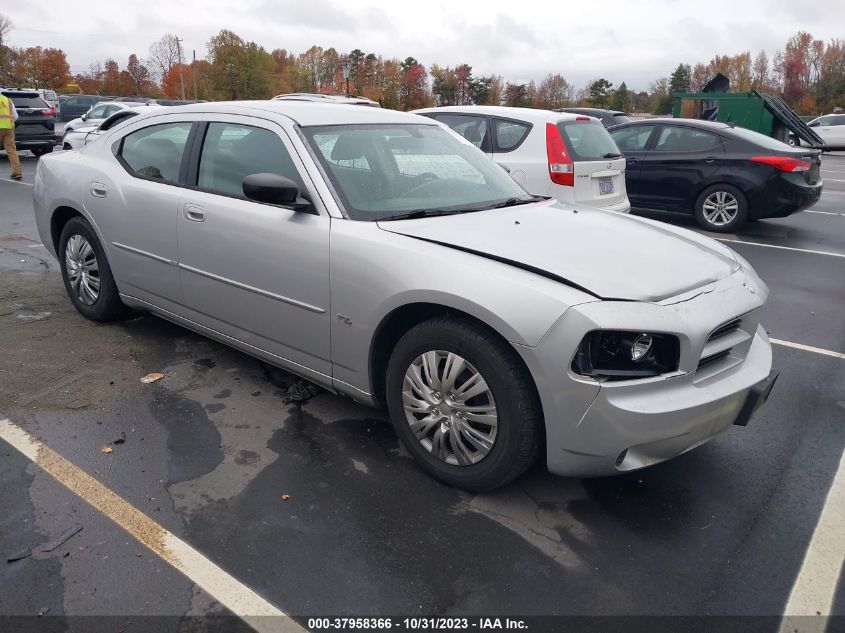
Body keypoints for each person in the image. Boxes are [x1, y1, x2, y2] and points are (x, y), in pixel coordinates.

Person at [0, 93, 22, 181]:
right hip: (8, 128)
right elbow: (15, 116)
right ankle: (17, 172)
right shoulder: (8, 100)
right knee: (11, 151)